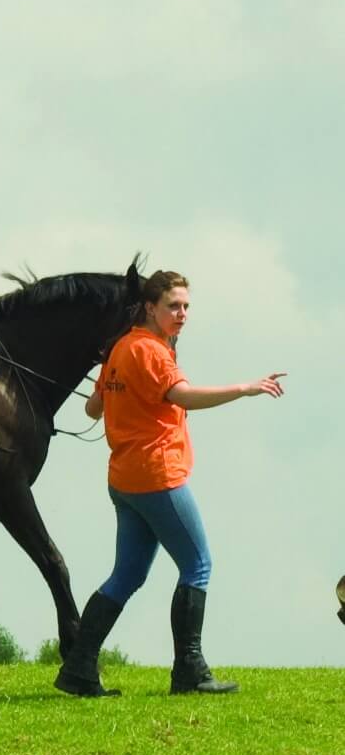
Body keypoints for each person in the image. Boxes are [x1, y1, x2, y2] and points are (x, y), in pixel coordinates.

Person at [55, 269, 285, 697]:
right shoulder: (155, 353)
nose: (181, 314)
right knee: (198, 565)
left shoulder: (120, 348)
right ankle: (189, 671)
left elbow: (92, 409)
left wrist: (125, 396)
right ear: (149, 307)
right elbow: (183, 397)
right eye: (172, 306)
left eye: (185, 307)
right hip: (157, 475)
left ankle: (78, 668)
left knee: (126, 575)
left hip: (123, 478)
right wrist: (245, 388)